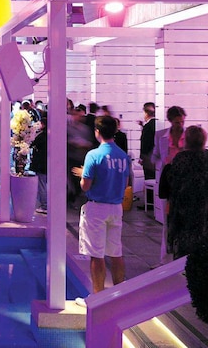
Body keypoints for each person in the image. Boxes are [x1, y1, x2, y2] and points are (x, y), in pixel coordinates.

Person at [72, 115, 130, 298]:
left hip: (97, 208)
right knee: (116, 252)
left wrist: (83, 175)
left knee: (96, 254)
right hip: (116, 207)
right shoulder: (123, 156)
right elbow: (125, 181)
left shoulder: (94, 155)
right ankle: (119, 294)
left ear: (97, 132)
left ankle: (98, 298)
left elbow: (85, 185)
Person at [157, 125, 208, 258]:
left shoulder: (180, 158)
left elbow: (172, 183)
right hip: (205, 207)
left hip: (184, 209)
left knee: (184, 245)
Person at [31, 118, 49, 214]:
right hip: (48, 163)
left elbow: (33, 143)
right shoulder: (53, 135)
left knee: (42, 185)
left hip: (41, 164)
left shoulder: (42, 136)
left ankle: (45, 205)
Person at [139, 102, 157, 179]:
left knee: (149, 180)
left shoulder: (147, 126)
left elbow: (145, 143)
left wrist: (141, 157)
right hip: (158, 157)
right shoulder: (158, 124)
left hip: (149, 159)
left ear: (146, 112)